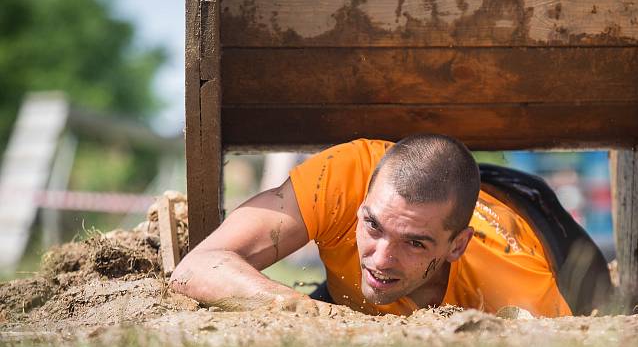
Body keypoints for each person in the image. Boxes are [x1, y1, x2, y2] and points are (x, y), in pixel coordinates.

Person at [169, 135, 572, 317]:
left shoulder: (519, 293)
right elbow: (196, 267)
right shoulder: (341, 180)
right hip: (442, 178)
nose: (381, 259)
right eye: (373, 226)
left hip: (537, 219)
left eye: (415, 243)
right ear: (360, 204)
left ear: (456, 246)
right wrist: (303, 312)